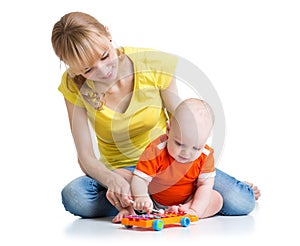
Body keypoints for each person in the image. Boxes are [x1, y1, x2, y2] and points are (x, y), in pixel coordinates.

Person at [51, 11, 260, 223]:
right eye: (88, 70)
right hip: (124, 172)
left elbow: (183, 124)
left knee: (242, 200)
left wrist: (204, 173)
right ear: (73, 68)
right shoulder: (72, 85)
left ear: (108, 33)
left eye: (105, 56)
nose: (104, 71)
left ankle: (159, 204)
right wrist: (113, 180)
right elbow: (85, 155)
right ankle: (156, 202)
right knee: (75, 196)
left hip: (167, 163)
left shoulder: (153, 63)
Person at [131, 98, 223, 219]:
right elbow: (140, 179)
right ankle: (138, 210)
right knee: (126, 180)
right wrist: (142, 197)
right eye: (179, 144)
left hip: (186, 201)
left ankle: (184, 212)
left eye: (196, 148)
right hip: (153, 203)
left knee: (216, 199)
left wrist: (195, 209)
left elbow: (205, 185)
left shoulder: (205, 155)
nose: (187, 153)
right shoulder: (156, 149)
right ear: (168, 130)